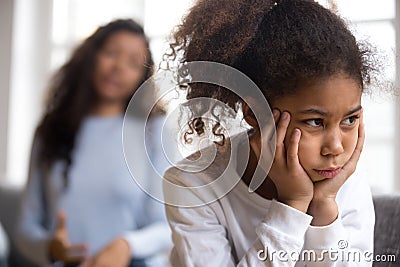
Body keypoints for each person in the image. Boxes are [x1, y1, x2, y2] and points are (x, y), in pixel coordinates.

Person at [162, 0, 378, 266]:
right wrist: (292, 205)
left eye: (350, 119)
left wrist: (324, 207)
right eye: (315, 122)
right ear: (254, 112)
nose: (335, 148)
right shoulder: (193, 185)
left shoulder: (344, 180)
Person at [16, 19, 171, 267]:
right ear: (91, 56)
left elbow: (167, 227)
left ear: (142, 77)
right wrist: (50, 247)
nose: (118, 67)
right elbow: (26, 227)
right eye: (111, 53)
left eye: (133, 63)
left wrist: (127, 245)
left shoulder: (154, 131)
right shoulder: (49, 131)